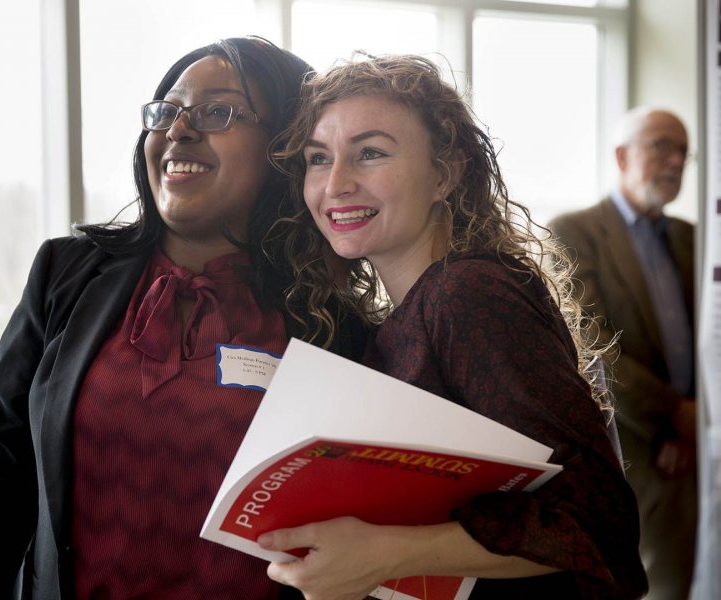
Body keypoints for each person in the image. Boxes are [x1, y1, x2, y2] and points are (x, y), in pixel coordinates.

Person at [0, 36, 366, 600]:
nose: (179, 130)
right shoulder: (65, 273)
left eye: (217, 111)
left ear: (283, 146)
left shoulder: (332, 319)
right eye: (167, 111)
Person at [264, 54, 648, 599]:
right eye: (318, 159)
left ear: (444, 174)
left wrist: (380, 556)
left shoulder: (467, 295)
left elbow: (597, 525)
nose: (336, 184)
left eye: (369, 153)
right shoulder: (403, 314)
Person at [550, 107, 696, 600]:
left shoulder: (690, 238)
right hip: (632, 446)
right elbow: (592, 346)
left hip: (696, 443)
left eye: (682, 151)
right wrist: (673, 417)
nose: (675, 160)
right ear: (621, 155)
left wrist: (698, 419)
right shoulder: (574, 231)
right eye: (661, 146)